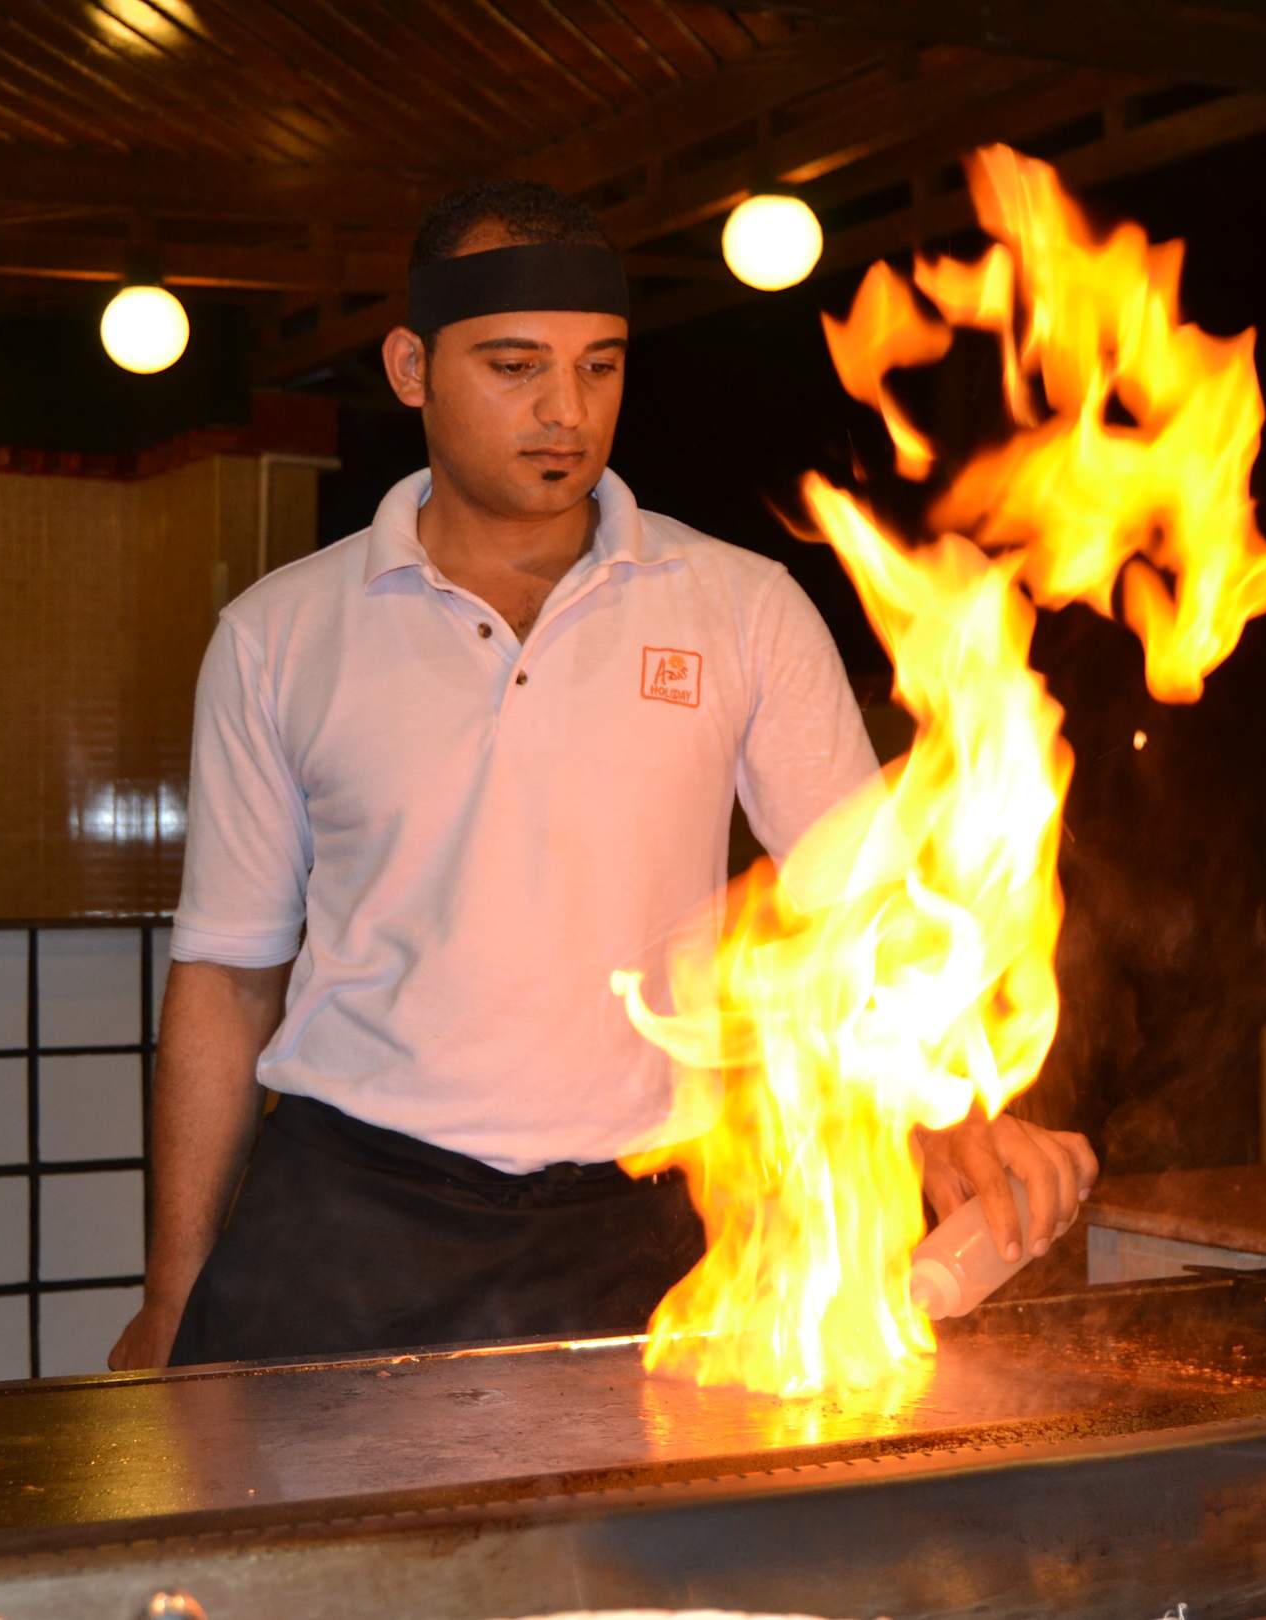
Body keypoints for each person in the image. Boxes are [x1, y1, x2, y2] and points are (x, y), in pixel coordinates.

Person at [108, 180, 1097, 1372]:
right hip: (351, 1214)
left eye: (600, 367)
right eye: (515, 367)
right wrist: (172, 1294)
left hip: (647, 1226)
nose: (564, 412)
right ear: (413, 368)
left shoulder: (742, 608)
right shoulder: (278, 635)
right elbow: (227, 979)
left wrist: (954, 1112)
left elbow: (863, 914)